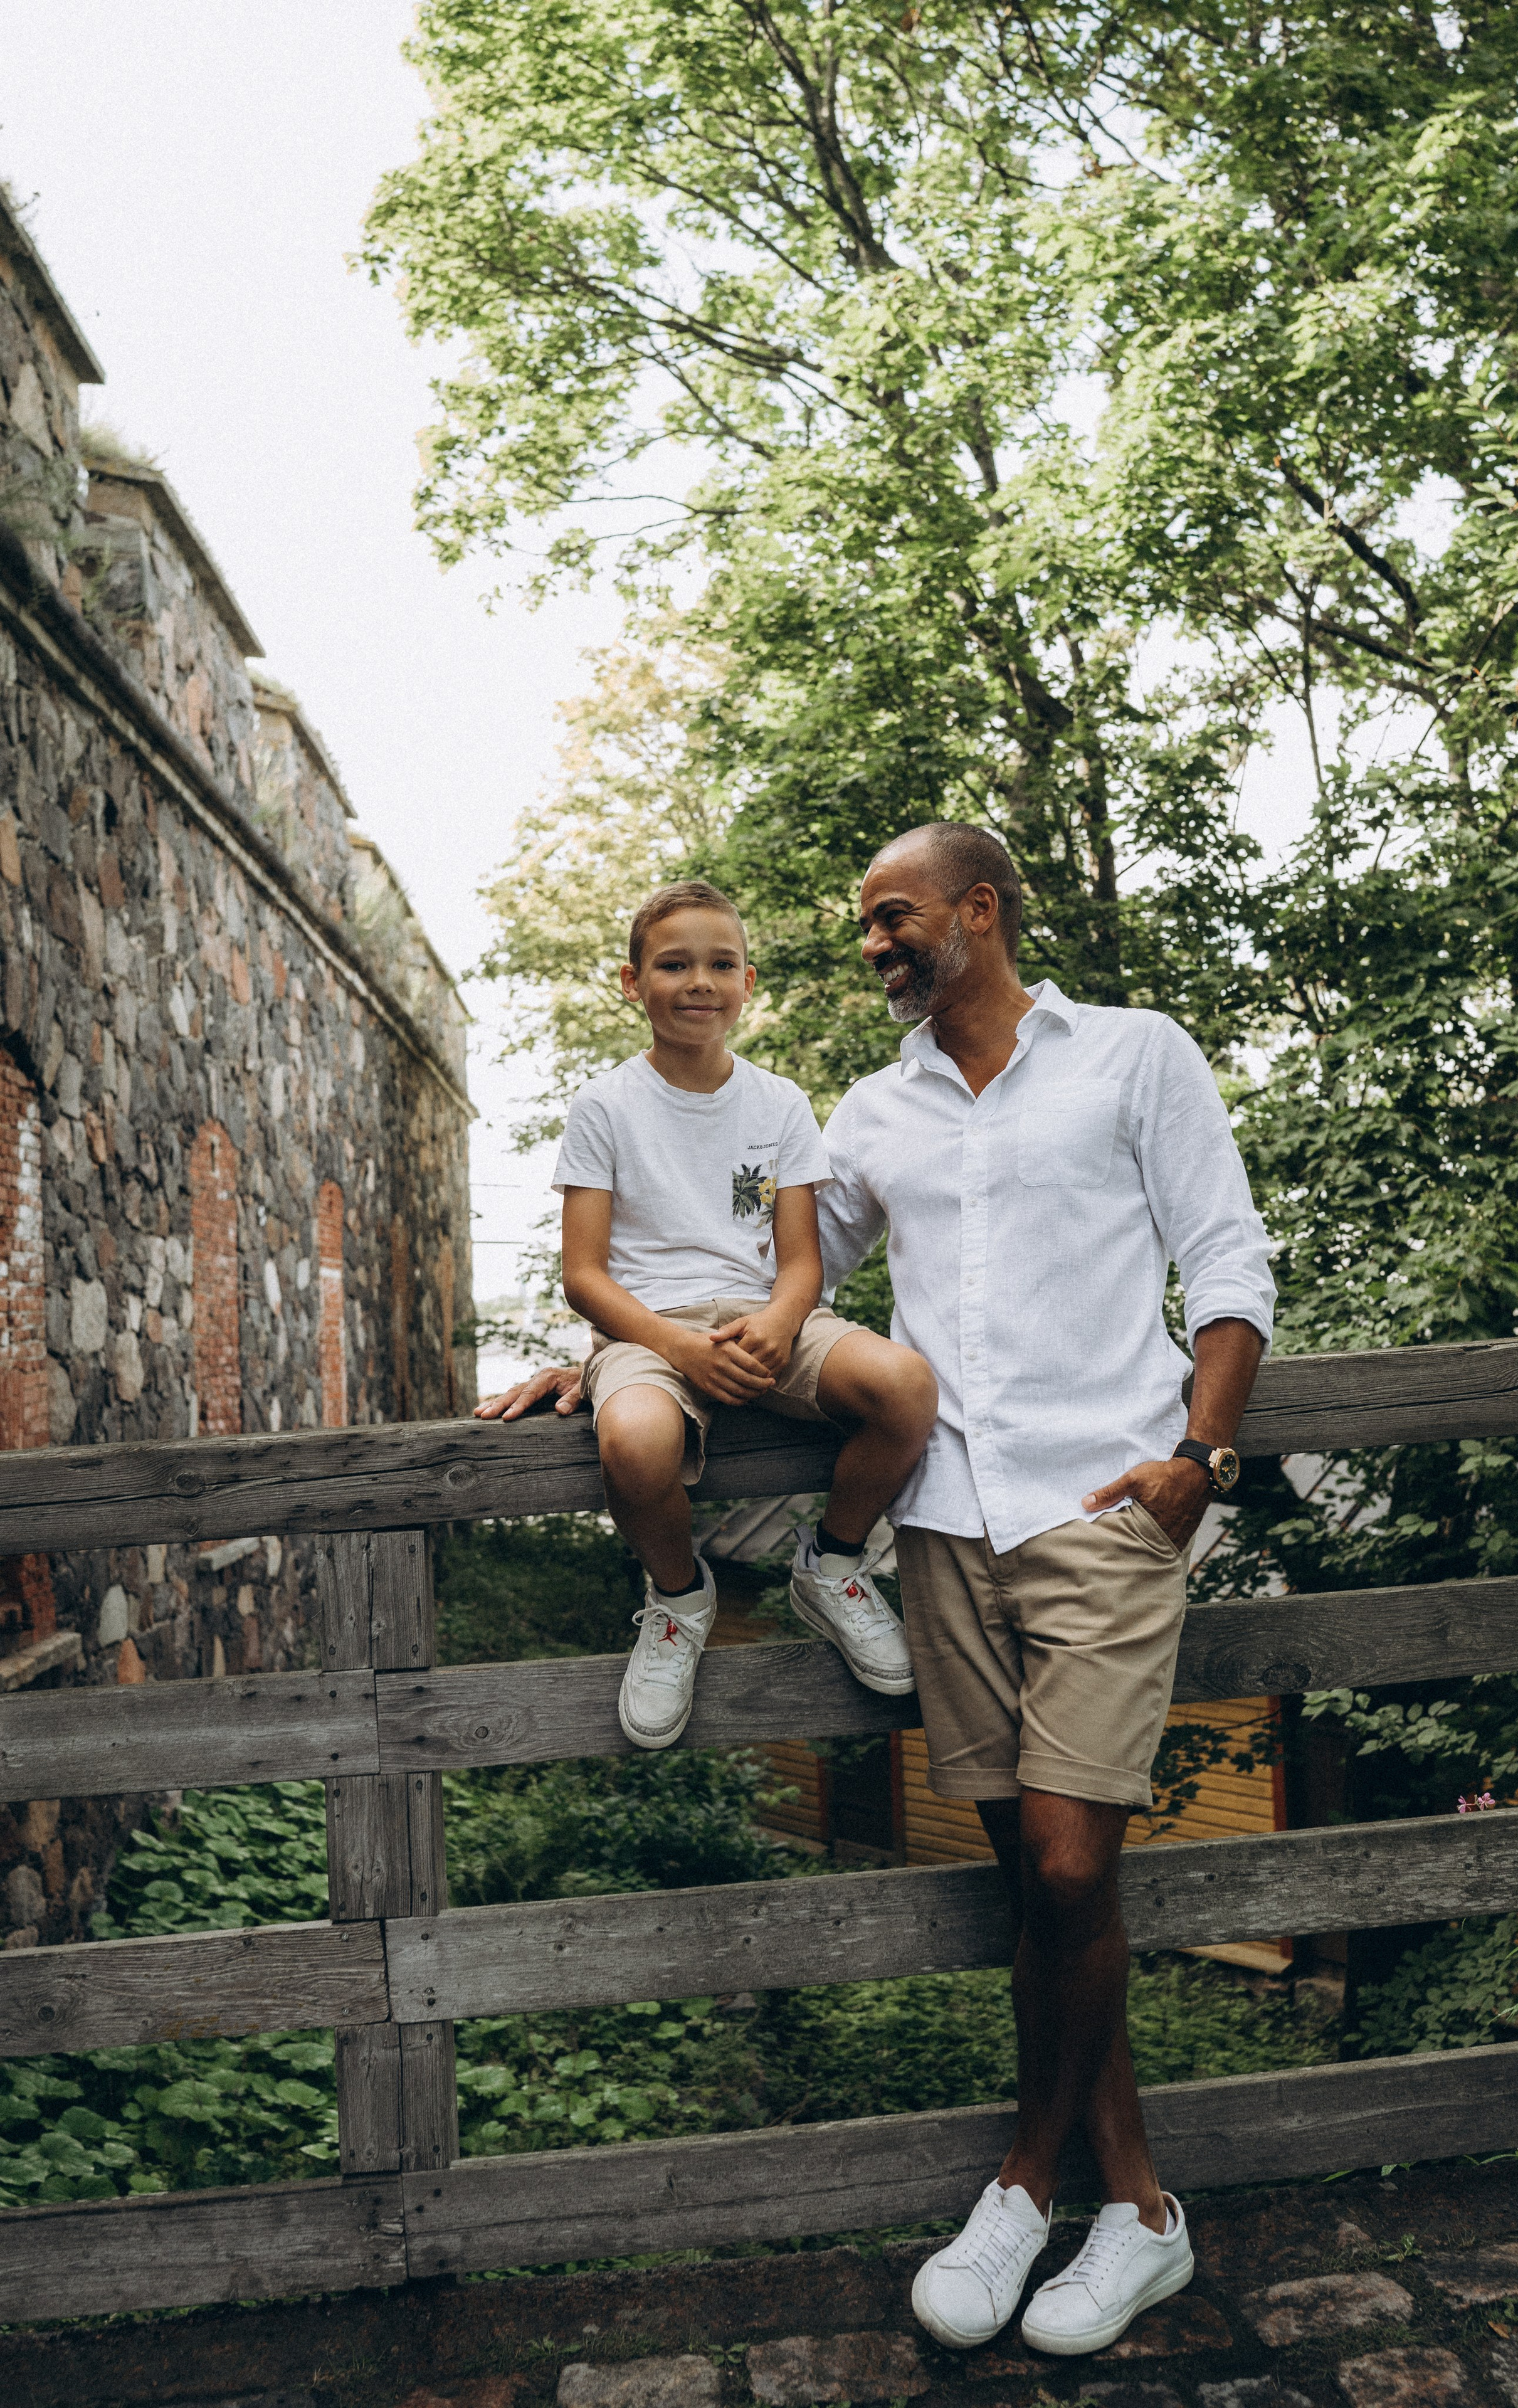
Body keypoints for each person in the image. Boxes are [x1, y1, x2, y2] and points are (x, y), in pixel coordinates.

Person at [812, 823, 1275, 2357]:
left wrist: (1195, 1462)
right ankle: (1137, 2212)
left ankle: (1020, 2180)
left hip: (1104, 1507)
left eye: (896, 919)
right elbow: (771, 1294)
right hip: (946, 1524)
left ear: (980, 910)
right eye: (865, 929)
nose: (876, 945)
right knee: (1036, 1886)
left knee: (1073, 1870)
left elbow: (1227, 1266)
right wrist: (606, 1350)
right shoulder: (870, 1111)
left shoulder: (1132, 1057)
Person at [475, 878, 938, 1751]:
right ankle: (680, 1599)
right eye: (674, 964)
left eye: (720, 964)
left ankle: (833, 1564)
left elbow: (801, 1260)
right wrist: (679, 1351)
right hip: (649, 1329)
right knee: (635, 1442)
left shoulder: (780, 1104)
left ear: (749, 982)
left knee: (906, 1386)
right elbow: (584, 1276)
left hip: (770, 1323)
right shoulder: (605, 1106)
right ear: (632, 982)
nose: (699, 983)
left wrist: (776, 1322)